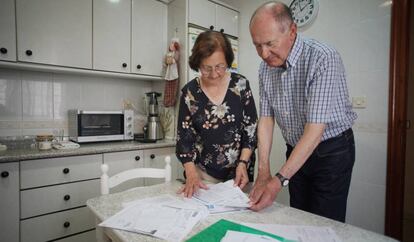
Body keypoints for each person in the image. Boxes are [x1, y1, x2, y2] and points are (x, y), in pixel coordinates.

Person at [248, 1, 357, 222]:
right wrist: (263, 171)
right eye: (257, 45)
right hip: (296, 148)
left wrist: (277, 180)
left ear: (292, 31)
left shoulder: (323, 57)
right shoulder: (265, 68)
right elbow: (267, 120)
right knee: (298, 216)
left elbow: (314, 131)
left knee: (324, 223)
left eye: (269, 43)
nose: (263, 53)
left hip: (331, 151)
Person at [176, 31, 258, 198]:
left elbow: (251, 129)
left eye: (220, 66)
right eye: (207, 68)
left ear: (227, 61)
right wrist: (191, 172)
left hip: (240, 173)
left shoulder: (241, 85)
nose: (214, 74)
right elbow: (184, 138)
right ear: (197, 63)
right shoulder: (189, 92)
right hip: (203, 176)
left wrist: (243, 163)